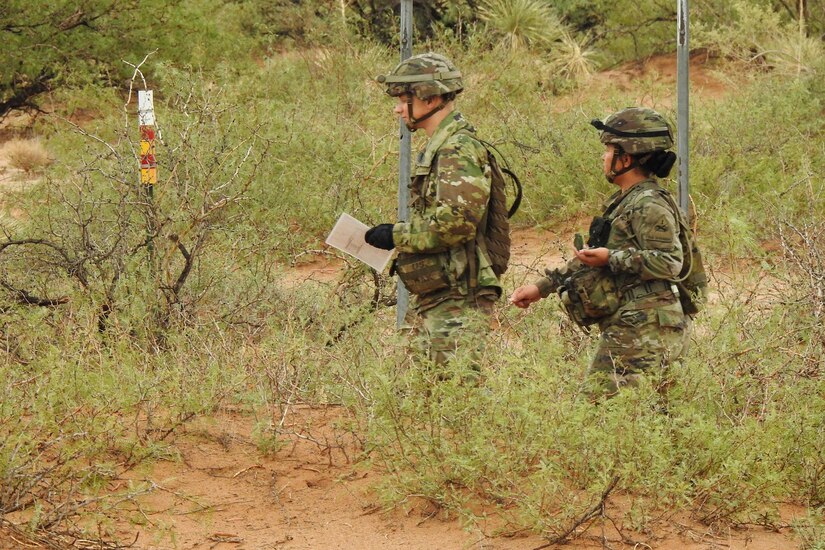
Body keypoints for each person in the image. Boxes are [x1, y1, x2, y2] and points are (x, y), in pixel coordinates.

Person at [510, 107, 693, 397]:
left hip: (647, 326)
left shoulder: (649, 204)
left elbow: (670, 262)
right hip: (639, 322)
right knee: (648, 417)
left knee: (599, 410)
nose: (603, 158)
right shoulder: (627, 201)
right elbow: (592, 259)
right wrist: (541, 287)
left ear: (627, 158)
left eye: (608, 151)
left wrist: (611, 258)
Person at [365, 53, 502, 366]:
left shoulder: (458, 147)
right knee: (413, 394)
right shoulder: (443, 145)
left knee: (453, 396)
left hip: (458, 296)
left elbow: (456, 223)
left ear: (430, 97)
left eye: (404, 98)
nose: (398, 107)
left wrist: (396, 235)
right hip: (441, 292)